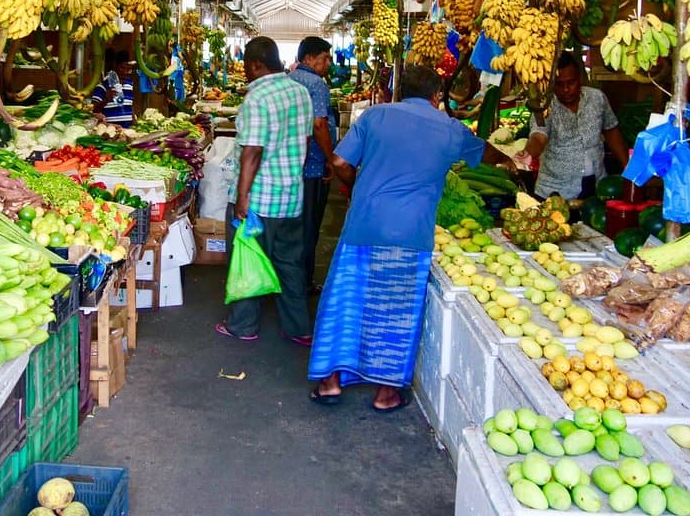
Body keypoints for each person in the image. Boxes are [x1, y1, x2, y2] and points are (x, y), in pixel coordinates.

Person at [308, 65, 517, 411]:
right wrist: (510, 161)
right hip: (411, 233)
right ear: (437, 96)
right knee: (394, 309)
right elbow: (485, 154)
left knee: (346, 300)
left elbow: (340, 160)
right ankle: (386, 393)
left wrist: (356, 185)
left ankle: (330, 382)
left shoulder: (375, 117)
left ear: (400, 92)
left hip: (364, 224)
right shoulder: (450, 129)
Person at [215, 36, 315, 346]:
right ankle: (298, 326)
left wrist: (242, 197)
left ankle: (243, 325)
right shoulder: (301, 92)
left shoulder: (256, 99)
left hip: (260, 199)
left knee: (249, 259)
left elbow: (252, 151)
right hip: (291, 196)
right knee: (289, 262)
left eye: (246, 67)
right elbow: (306, 141)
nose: (245, 72)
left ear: (257, 65)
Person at [517, 51, 629, 200]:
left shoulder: (597, 98)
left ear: (580, 79)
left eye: (571, 83)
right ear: (551, 84)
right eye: (559, 84)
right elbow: (539, 136)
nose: (566, 89)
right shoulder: (545, 106)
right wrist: (528, 153)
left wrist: (627, 167)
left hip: (596, 187)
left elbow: (611, 130)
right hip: (555, 191)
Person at [288, 36, 335, 296]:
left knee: (292, 227)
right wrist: (331, 159)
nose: (328, 63)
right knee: (308, 227)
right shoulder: (317, 84)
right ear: (308, 58)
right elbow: (319, 125)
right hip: (312, 167)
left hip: (290, 168)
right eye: (324, 58)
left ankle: (288, 278)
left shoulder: (288, 80)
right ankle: (302, 282)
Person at [91, 51, 135, 128]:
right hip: (109, 130)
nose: (125, 72)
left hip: (128, 129)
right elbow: (93, 110)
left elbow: (129, 104)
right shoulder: (102, 86)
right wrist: (106, 99)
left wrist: (133, 118)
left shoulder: (129, 84)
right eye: (122, 68)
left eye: (128, 69)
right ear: (115, 66)